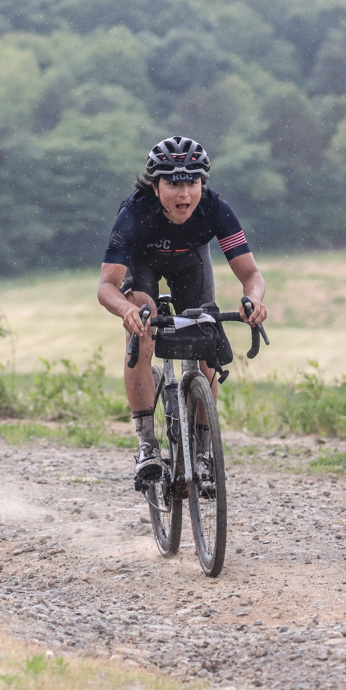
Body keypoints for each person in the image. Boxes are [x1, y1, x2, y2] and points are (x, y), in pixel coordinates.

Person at [98, 135, 268, 487]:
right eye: (174, 184)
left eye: (192, 182)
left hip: (191, 265)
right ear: (155, 184)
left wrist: (253, 299)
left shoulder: (215, 208)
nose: (185, 194)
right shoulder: (134, 212)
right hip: (143, 266)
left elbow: (250, 274)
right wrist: (125, 311)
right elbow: (106, 287)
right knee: (142, 326)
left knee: (207, 341)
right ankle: (147, 447)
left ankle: (204, 454)